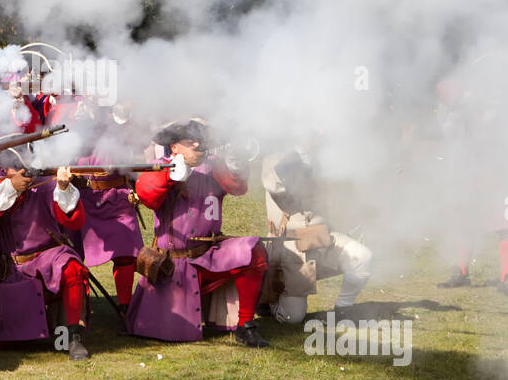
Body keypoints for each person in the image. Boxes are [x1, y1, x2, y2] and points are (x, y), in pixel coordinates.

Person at [0, 149, 94, 360]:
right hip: (12, 266)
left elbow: (73, 220)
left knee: (71, 266)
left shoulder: (48, 184)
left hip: (48, 258)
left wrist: (64, 187)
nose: (19, 172)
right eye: (13, 169)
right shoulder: (0, 187)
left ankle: (73, 337)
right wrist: (12, 187)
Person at [128, 119, 269, 347]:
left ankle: (246, 325)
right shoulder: (161, 166)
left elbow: (238, 187)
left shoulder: (214, 166)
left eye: (200, 140)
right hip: (174, 264)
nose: (197, 145)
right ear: (174, 147)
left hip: (209, 256)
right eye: (190, 141)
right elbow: (147, 194)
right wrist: (170, 177)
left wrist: (236, 163)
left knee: (255, 253)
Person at [433, 79, 508, 297]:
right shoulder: (454, 110)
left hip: (505, 171)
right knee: (464, 222)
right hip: (472, 171)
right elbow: (449, 132)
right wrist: (460, 110)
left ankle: (506, 279)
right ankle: (461, 272)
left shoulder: (498, 102)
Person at [260, 140, 373, 324]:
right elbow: (275, 185)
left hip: (323, 239)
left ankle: (343, 309)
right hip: (291, 248)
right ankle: (268, 300)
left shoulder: (327, 156)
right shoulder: (276, 158)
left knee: (362, 257)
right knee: (292, 318)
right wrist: (301, 154)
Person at [74, 104, 145, 329]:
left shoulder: (118, 118)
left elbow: (139, 142)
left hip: (117, 197)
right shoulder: (75, 120)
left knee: (126, 255)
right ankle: (80, 308)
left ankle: (125, 306)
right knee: (74, 256)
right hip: (83, 198)